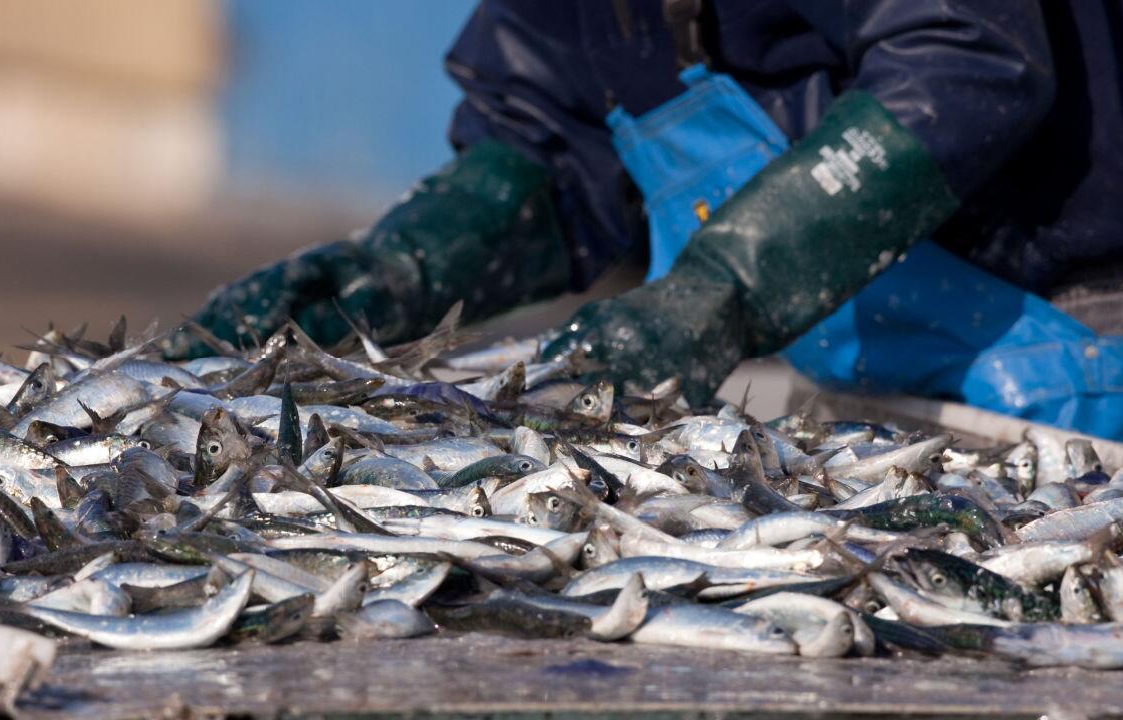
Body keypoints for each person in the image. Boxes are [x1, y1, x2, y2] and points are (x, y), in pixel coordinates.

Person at [166, 1, 1123, 437]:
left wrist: (725, 287)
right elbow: (547, 136)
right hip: (874, 377)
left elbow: (963, 60)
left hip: (1084, 330)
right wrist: (398, 272)